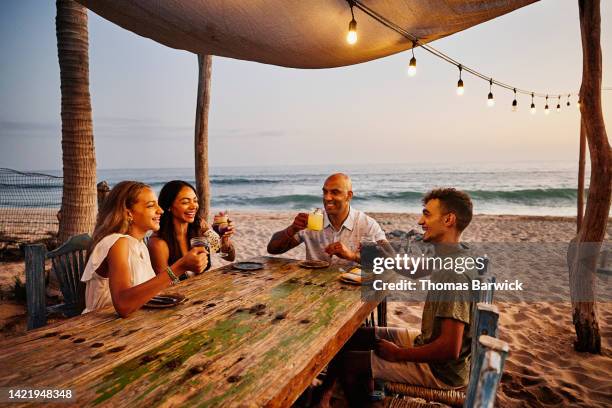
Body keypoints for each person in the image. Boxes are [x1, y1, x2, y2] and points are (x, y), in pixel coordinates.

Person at [318, 188, 476, 407]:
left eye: (427, 214)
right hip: (429, 343)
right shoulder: (453, 254)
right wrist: (357, 256)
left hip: (442, 371)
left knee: (348, 363)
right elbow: (414, 270)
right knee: (353, 337)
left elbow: (450, 348)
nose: (421, 221)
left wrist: (399, 354)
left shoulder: (454, 273)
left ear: (449, 219)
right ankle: (343, 393)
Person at [81, 181, 208, 317]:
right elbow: (123, 305)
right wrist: (179, 267)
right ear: (129, 213)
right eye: (150, 206)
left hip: (133, 323)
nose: (161, 210)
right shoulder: (117, 243)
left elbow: (147, 292)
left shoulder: (139, 244)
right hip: (100, 327)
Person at [267, 173, 387, 267]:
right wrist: (292, 229)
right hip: (314, 288)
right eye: (325, 192)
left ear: (349, 196)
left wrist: (353, 256)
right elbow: (273, 249)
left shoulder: (367, 224)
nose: (327, 197)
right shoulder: (312, 221)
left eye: (335, 192)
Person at [148, 180, 235, 279]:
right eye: (185, 202)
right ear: (169, 206)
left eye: (195, 200)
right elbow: (164, 284)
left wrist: (224, 239)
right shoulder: (158, 243)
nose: (194, 206)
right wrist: (182, 267)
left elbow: (229, 257)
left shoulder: (200, 228)